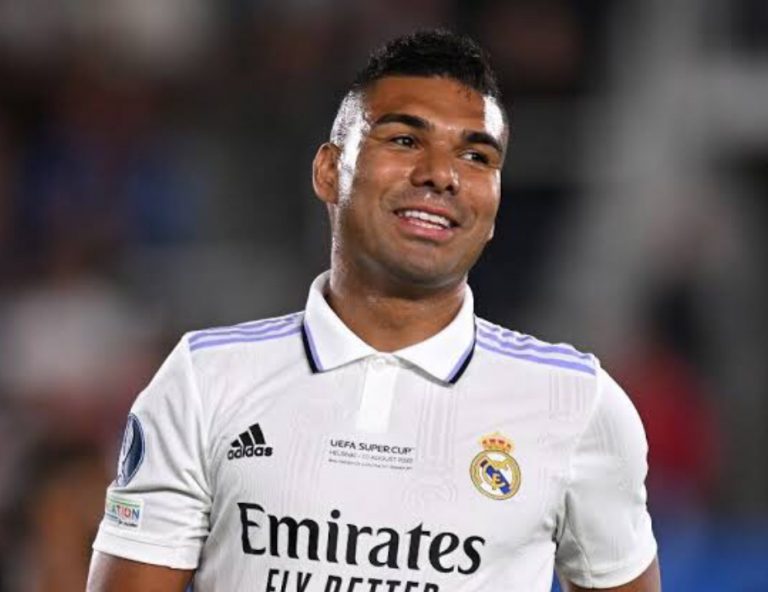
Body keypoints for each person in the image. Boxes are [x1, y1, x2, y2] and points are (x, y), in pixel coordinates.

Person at [87, 30, 660, 592]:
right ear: (328, 171)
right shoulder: (205, 381)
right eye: (405, 140)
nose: (442, 174)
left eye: (475, 155)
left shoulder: (575, 402)